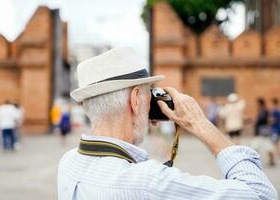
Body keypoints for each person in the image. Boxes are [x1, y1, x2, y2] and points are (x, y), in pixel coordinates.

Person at [58, 47, 277, 200]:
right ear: (135, 100)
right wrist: (200, 123)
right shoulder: (149, 182)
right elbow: (260, 194)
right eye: (148, 95)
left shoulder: (68, 163)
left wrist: (137, 119)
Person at [252, 98, 275, 166]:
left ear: (260, 103)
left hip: (261, 131)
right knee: (266, 145)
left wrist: (255, 123)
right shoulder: (264, 110)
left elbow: (261, 121)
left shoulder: (263, 111)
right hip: (263, 131)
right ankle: (271, 160)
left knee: (255, 147)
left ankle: (253, 161)